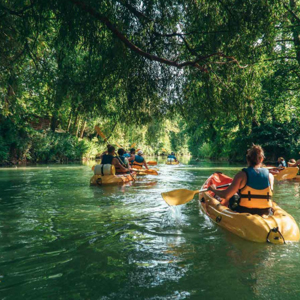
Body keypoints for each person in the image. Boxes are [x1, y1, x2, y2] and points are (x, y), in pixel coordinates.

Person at [208, 144, 274, 216]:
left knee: (233, 197)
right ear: (262, 159)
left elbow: (226, 195)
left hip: (245, 211)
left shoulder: (241, 175)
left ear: (247, 159)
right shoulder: (270, 176)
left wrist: (213, 189)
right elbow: (267, 192)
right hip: (265, 211)